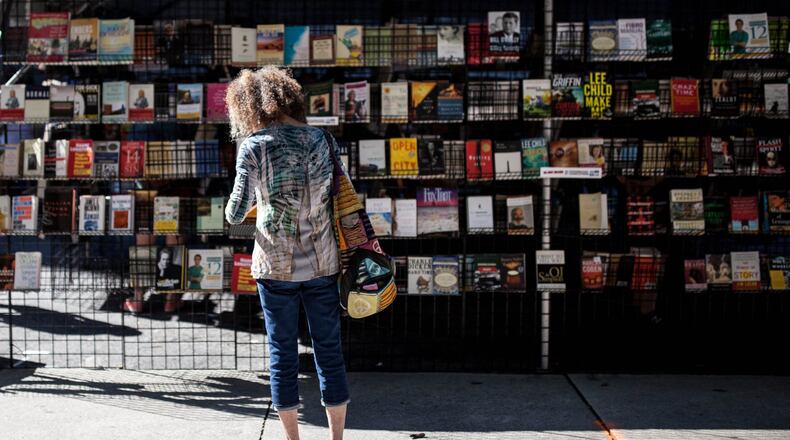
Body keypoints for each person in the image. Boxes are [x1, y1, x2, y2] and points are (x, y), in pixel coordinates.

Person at [224, 66, 349, 440]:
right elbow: (338, 196)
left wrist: (262, 204)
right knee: (329, 350)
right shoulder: (323, 140)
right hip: (323, 262)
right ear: (291, 97)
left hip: (273, 267)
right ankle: (337, 438)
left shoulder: (253, 146)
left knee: (282, 354)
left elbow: (234, 213)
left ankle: (293, 438)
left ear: (249, 107)